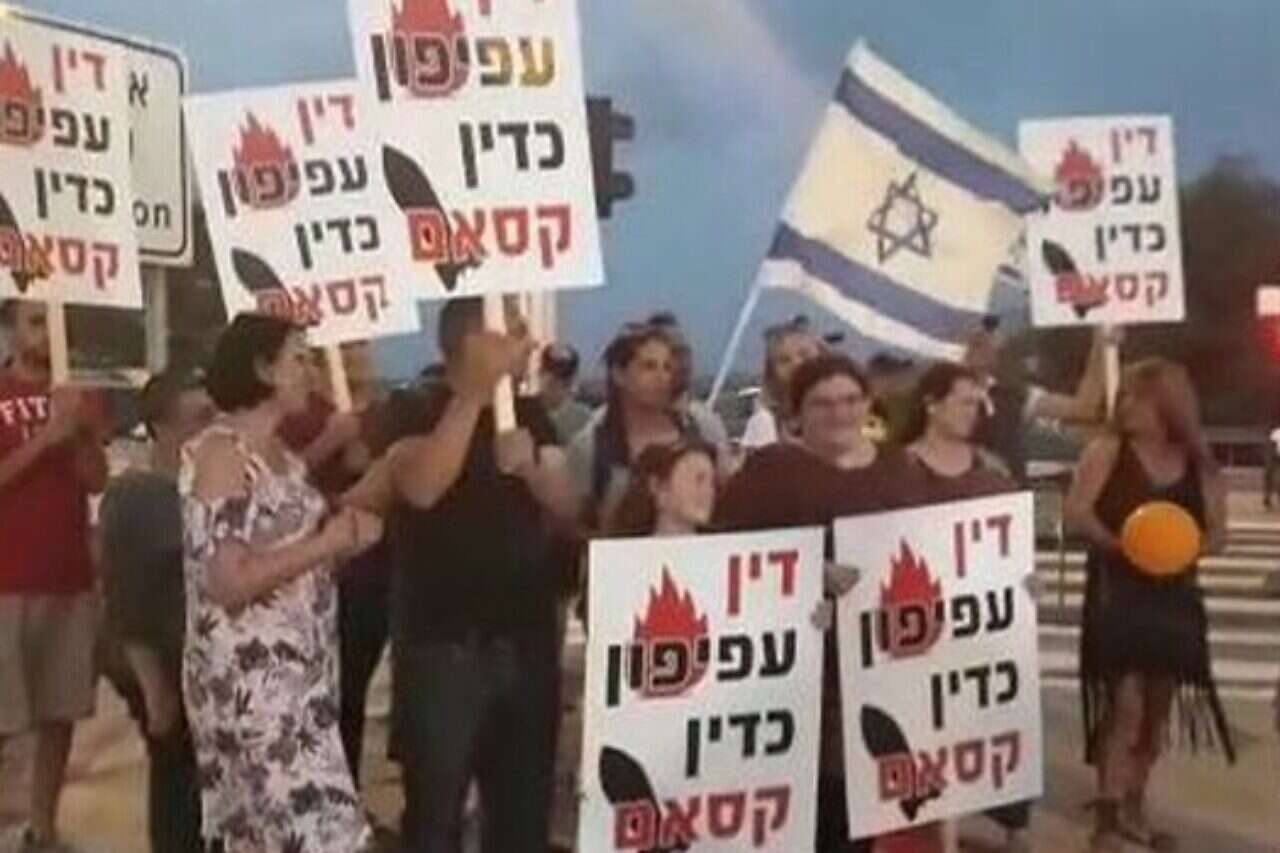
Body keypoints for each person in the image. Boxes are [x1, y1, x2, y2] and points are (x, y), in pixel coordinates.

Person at [343, 297, 576, 853]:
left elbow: (569, 505)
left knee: (522, 816)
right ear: (476, 341)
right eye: (512, 329)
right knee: (436, 816)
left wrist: (531, 471)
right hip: (442, 648)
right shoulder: (410, 408)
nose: (527, 341)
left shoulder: (530, 414)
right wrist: (473, 395)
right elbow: (422, 486)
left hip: (525, 641)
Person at [180, 314, 384, 853]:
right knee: (324, 835)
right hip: (254, 683)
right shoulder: (224, 455)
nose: (310, 373)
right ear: (262, 368)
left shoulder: (286, 461)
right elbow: (228, 581)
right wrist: (326, 543)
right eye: (299, 359)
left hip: (301, 674)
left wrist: (343, 542)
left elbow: (286, 560)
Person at [716, 354, 908, 853]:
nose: (839, 413)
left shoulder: (898, 468)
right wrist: (808, 574)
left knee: (859, 815)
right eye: (822, 403)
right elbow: (723, 558)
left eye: (850, 400)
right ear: (797, 413)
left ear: (868, 403)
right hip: (791, 675)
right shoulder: (769, 471)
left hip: (878, 670)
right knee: (804, 813)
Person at [1064, 358, 1232, 853]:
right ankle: (1108, 813)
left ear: (1166, 404)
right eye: (1124, 397)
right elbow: (1077, 512)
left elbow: (1219, 533)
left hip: (1174, 595)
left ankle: (1135, 804)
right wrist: (1121, 544)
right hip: (1118, 590)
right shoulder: (1107, 451)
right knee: (1125, 706)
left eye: (1135, 397)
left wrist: (1182, 548)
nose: (1124, 405)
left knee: (1156, 711)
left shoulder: (1198, 463)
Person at [895, 362, 1033, 853]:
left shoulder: (992, 469)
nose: (974, 411)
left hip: (979, 628)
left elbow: (1012, 540)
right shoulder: (897, 467)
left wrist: (1024, 581)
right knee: (927, 738)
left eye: (978, 403)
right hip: (920, 625)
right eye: (964, 401)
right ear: (932, 404)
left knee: (973, 733)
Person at [0, 299, 108, 853]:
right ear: (12, 329)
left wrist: (81, 433)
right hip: (6, 578)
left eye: (54, 321)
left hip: (67, 576)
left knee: (58, 713)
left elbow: (96, 481)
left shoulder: (80, 395)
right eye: (36, 322)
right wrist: (45, 438)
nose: (47, 333)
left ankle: (41, 828)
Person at [99, 367, 215, 853]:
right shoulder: (138, 498)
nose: (212, 429)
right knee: (178, 785)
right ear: (163, 427)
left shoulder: (207, 489)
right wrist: (153, 686)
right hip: (164, 663)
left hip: (204, 663)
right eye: (200, 418)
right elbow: (126, 599)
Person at [277, 342, 393, 790]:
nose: (360, 354)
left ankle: (347, 793)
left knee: (352, 691)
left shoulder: (384, 413)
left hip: (372, 570)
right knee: (320, 692)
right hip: (313, 569)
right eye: (350, 345)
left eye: (363, 344)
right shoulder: (297, 414)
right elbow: (274, 483)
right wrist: (330, 442)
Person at [569, 319, 726, 530]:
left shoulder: (701, 427)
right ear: (619, 374)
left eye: (667, 368)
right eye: (649, 367)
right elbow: (576, 526)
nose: (662, 377)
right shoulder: (590, 446)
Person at [963, 319, 1112, 482]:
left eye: (988, 339)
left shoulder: (1014, 396)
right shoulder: (944, 392)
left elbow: (1084, 408)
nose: (983, 345)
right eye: (976, 343)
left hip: (1003, 488)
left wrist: (1103, 340)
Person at [740, 316, 823, 450]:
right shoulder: (765, 422)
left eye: (804, 355)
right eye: (784, 361)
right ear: (772, 372)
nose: (797, 364)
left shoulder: (848, 408)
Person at [539, 343, 592, 443]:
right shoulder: (526, 413)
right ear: (540, 373)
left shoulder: (583, 417)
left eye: (565, 382)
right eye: (553, 379)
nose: (557, 384)